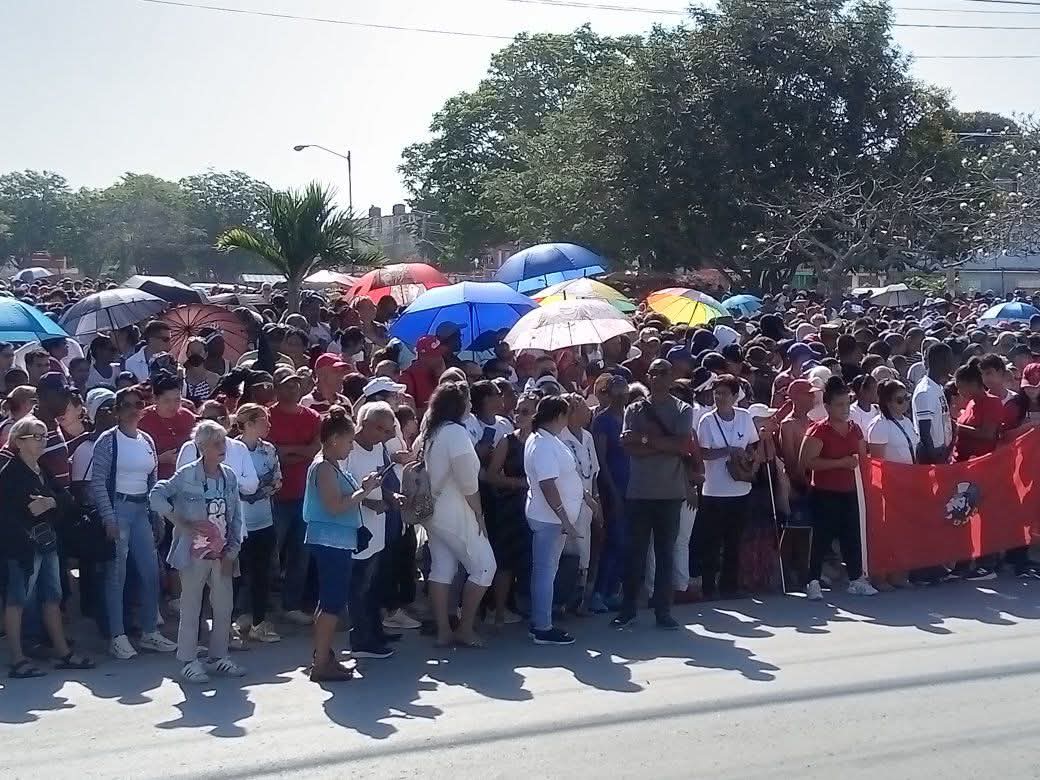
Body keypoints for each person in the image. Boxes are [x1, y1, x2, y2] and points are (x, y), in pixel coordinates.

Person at [150, 420, 246, 683]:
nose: (222, 447)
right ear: (202, 447)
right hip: (193, 554)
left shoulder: (229, 476)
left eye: (223, 442)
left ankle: (219, 656)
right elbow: (157, 495)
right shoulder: (187, 474)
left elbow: (236, 516)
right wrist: (180, 522)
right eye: (216, 443)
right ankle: (188, 660)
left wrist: (232, 551)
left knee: (224, 607)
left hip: (223, 553)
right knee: (191, 607)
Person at [1, 416, 94, 677]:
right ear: (19, 441)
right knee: (17, 600)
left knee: (52, 597)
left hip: (48, 543)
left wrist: (49, 503)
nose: (43, 441)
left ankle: (63, 651)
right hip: (22, 548)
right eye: (37, 437)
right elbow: (9, 514)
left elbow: (66, 500)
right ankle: (17, 659)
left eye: (44, 436)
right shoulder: (9, 473)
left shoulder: (42, 469)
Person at [90, 386, 178, 659]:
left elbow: (151, 480)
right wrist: (108, 517)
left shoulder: (147, 440)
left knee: (150, 572)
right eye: (126, 405)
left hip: (142, 509)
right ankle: (118, 636)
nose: (133, 409)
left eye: (138, 404)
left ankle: (151, 631)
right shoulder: (108, 440)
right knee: (117, 575)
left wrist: (155, 516)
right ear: (116, 410)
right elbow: (98, 483)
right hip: (119, 508)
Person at [614, 359, 695, 630]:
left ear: (671, 376)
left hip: (670, 492)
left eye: (663, 373)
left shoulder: (683, 409)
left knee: (665, 554)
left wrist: (645, 440)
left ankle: (663, 610)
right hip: (639, 491)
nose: (658, 377)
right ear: (648, 377)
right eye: (654, 373)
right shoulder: (635, 409)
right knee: (634, 553)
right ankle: (628, 609)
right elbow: (627, 444)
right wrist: (662, 446)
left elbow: (682, 445)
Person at [303, 407, 380, 681]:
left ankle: (323, 657)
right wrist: (365, 491)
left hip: (338, 541)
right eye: (348, 441)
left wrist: (362, 488)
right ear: (334, 439)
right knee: (332, 602)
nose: (351, 446)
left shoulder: (332, 465)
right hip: (330, 542)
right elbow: (335, 506)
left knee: (330, 601)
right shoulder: (323, 466)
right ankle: (321, 663)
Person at [419, 382, 497, 647]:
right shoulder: (455, 433)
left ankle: (444, 631)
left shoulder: (432, 432)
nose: (472, 406)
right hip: (455, 510)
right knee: (485, 566)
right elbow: (468, 482)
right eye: (468, 402)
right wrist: (480, 515)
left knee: (442, 569)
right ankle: (464, 628)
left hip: (434, 510)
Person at [799, 377, 877, 600]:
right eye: (839, 405)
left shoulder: (856, 429)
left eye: (846, 403)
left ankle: (856, 579)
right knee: (821, 538)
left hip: (851, 492)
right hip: (824, 492)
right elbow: (806, 462)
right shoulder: (818, 431)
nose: (845, 409)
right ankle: (812, 581)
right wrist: (840, 463)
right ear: (828, 407)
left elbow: (863, 458)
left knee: (852, 536)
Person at [524, 396, 585, 645]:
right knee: (545, 572)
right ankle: (542, 626)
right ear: (559, 416)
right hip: (549, 519)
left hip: (553, 518)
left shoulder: (549, 440)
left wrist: (587, 498)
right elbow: (547, 484)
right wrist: (565, 519)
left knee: (547, 570)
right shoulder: (543, 444)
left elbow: (565, 476)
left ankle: (541, 620)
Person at [696, 374, 760, 600]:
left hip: (740, 489)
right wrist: (728, 451)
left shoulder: (744, 417)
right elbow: (702, 452)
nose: (719, 397)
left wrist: (749, 458)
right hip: (714, 491)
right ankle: (708, 588)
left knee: (734, 540)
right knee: (712, 542)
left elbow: (753, 444)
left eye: (724, 393)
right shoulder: (706, 420)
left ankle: (729, 587)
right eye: (717, 393)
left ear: (735, 396)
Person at [344, 402, 400, 659]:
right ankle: (361, 640)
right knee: (359, 588)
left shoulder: (378, 448)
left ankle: (375, 631)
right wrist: (369, 501)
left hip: (378, 528)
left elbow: (380, 480)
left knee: (374, 584)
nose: (385, 436)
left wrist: (391, 496)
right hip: (356, 529)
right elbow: (342, 490)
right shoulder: (347, 450)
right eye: (381, 429)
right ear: (363, 424)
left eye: (389, 431)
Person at [267, 366, 322, 625]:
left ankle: (291, 605)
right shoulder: (267, 416)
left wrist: (290, 452)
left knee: (301, 554)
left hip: (304, 496)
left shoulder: (312, 416)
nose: (293, 388)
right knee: (270, 554)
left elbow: (315, 450)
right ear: (276, 388)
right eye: (287, 384)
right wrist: (298, 451)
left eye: (296, 384)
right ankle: (263, 606)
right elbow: (273, 453)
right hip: (275, 497)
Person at [484, 391, 538, 626]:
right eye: (517, 410)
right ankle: (499, 612)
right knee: (505, 561)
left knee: (533, 559)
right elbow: (491, 476)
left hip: (536, 507)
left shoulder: (542, 441)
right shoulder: (508, 441)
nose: (518, 415)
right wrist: (518, 483)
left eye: (525, 411)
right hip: (510, 507)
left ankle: (531, 607)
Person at [232, 403, 283, 642]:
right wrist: (251, 489)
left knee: (262, 572)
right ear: (249, 424)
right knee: (235, 574)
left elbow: (276, 479)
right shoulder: (231, 449)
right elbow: (232, 484)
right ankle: (233, 620)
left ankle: (259, 621)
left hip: (263, 520)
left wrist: (258, 490)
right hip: (237, 522)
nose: (269, 425)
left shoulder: (269, 449)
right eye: (264, 420)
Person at [866, 379, 919, 590]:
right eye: (899, 400)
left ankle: (899, 574)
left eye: (906, 398)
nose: (904, 403)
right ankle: (880, 576)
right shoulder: (880, 426)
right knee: (885, 532)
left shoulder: (906, 421)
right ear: (887, 402)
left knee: (904, 531)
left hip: (908, 482)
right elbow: (877, 463)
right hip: (889, 485)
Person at [589, 373, 630, 613]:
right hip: (611, 486)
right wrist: (612, 490)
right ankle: (598, 593)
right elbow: (600, 459)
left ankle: (613, 590)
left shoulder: (628, 417)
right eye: (616, 391)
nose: (621, 396)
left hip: (631, 484)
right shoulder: (602, 421)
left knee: (625, 541)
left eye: (624, 392)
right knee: (613, 539)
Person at [558, 393, 600, 609]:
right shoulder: (560, 437)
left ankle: (579, 600)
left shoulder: (588, 437)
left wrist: (596, 500)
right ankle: (561, 601)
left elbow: (593, 472)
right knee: (567, 553)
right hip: (566, 504)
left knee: (585, 551)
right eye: (584, 409)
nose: (589, 413)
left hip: (587, 505)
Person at [139, 372, 198, 481]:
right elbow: (133, 457)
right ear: (155, 399)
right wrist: (159, 459)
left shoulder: (188, 417)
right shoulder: (141, 421)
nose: (173, 406)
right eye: (167, 401)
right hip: (153, 481)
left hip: (185, 481)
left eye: (177, 400)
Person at [912, 342, 954, 465]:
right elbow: (924, 432)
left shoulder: (936, 387)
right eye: (949, 360)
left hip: (941, 450)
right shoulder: (925, 392)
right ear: (942, 362)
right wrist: (935, 459)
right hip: (932, 454)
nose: (952, 364)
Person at [401, 335, 445, 414]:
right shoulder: (407, 377)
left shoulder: (438, 372)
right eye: (435, 355)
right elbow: (408, 414)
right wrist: (437, 408)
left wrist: (441, 376)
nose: (440, 358)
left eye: (440, 354)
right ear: (422, 356)